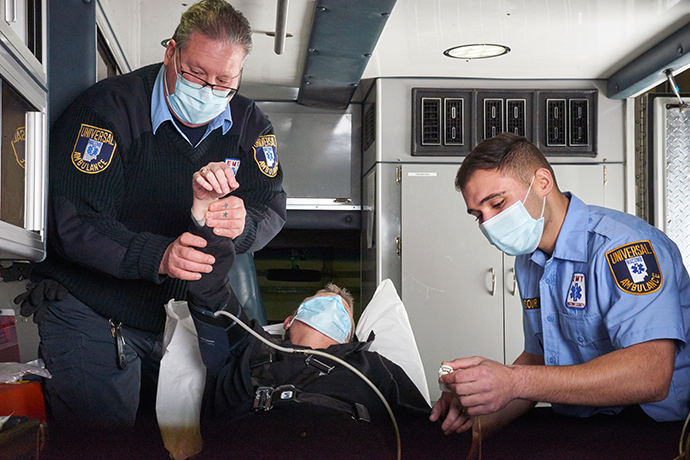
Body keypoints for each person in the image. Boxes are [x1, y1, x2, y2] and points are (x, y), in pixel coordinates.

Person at [25, 0, 286, 431]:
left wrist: (245, 225)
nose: (208, 90)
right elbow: (74, 222)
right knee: (102, 442)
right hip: (92, 308)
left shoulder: (251, 125)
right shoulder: (106, 112)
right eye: (195, 74)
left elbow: (272, 204)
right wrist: (159, 257)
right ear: (170, 52)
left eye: (225, 80)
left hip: (174, 320)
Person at [180, 168, 470, 460]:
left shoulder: (373, 368)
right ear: (290, 320)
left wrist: (461, 408)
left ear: (348, 336)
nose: (332, 305)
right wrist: (207, 222)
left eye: (343, 311)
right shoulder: (250, 346)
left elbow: (428, 434)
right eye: (321, 299)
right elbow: (210, 294)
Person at [430, 132, 689, 457]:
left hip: (653, 427)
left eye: (497, 204)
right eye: (478, 215)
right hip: (581, 417)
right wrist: (479, 409)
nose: (489, 223)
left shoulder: (624, 248)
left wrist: (514, 381)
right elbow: (541, 358)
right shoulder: (529, 260)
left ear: (541, 182)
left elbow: (651, 374)